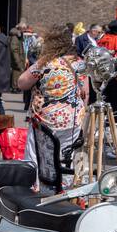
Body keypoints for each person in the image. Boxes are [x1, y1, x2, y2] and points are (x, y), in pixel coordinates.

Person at [16, 27, 88, 190]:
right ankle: (64, 189)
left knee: (37, 156)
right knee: (65, 157)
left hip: (45, 121)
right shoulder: (79, 63)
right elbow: (86, 94)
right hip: (72, 121)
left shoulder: (44, 63)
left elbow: (22, 83)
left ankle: (36, 188)